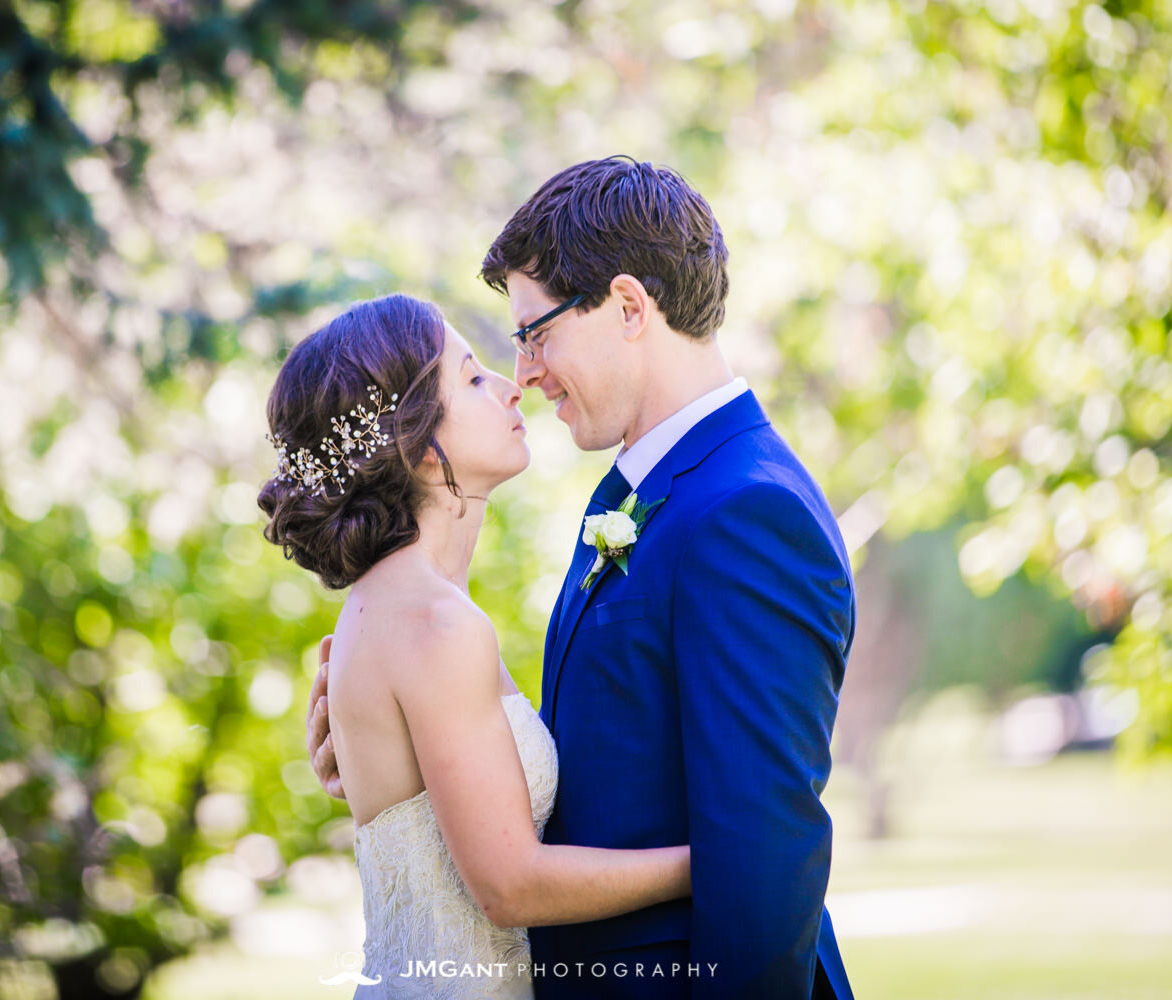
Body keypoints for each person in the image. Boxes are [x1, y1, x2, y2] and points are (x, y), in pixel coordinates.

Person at [307, 158, 857, 999]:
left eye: (536, 332)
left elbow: (763, 860)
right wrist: (409, 770)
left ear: (630, 307)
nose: (523, 372)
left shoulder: (745, 513)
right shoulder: (641, 498)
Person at [260, 293, 692, 999]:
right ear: (416, 446)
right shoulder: (432, 623)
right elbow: (509, 887)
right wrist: (713, 860)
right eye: (469, 378)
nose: (510, 382)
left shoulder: (393, 606)